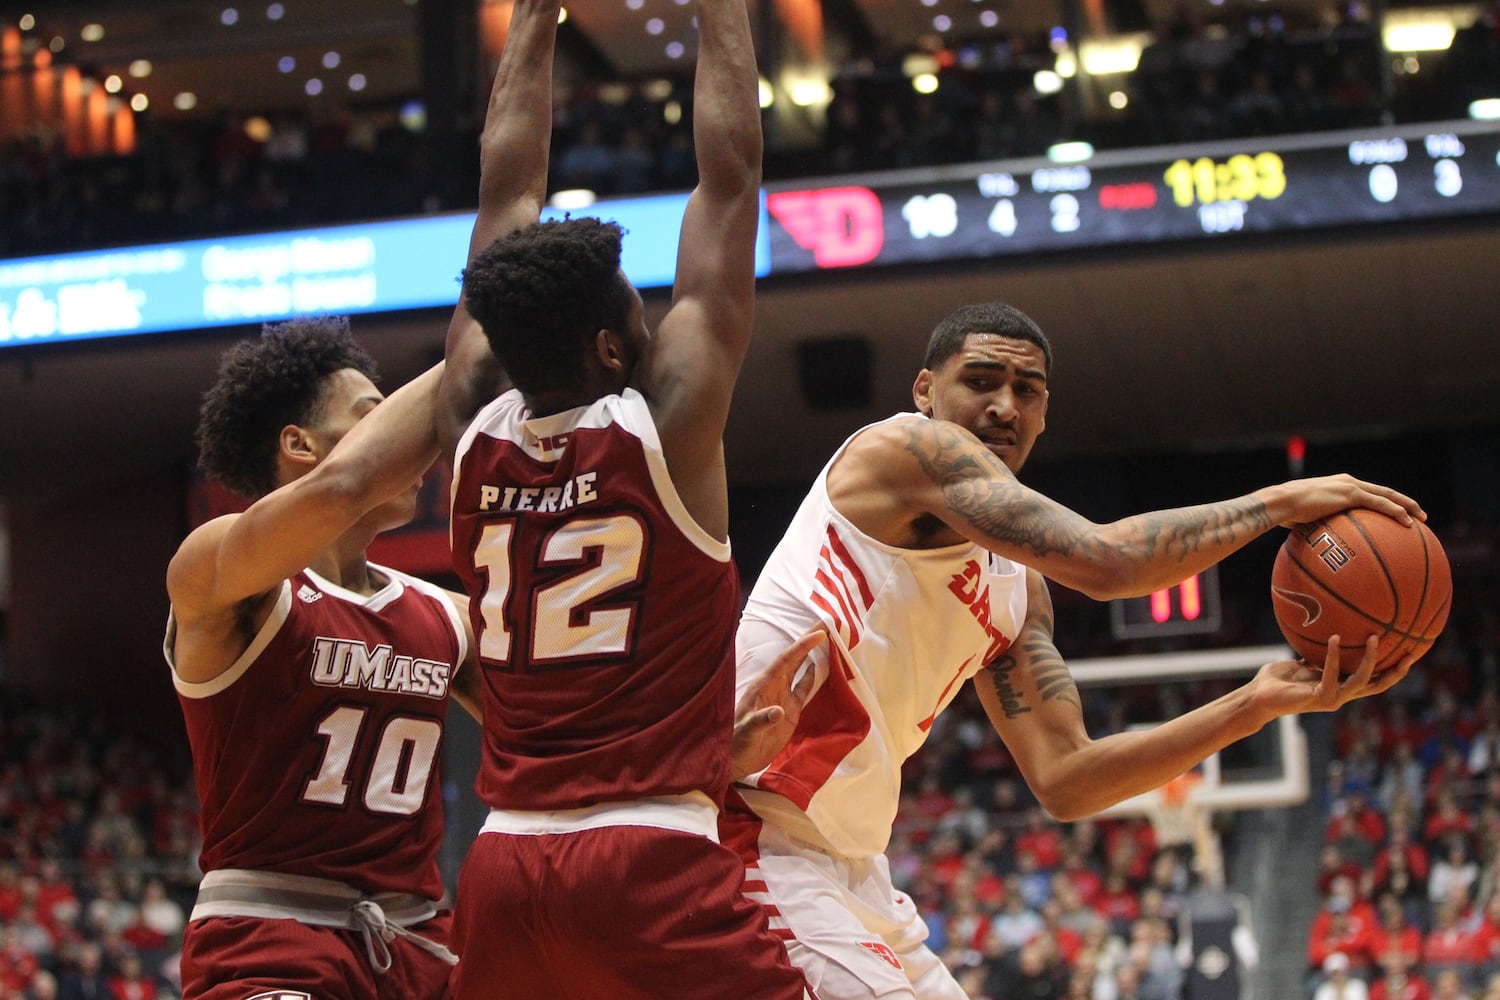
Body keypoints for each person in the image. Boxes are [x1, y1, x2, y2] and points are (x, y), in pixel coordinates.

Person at [728, 300, 1426, 999]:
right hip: (750, 824)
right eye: (981, 380)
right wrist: (1277, 504)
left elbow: (1068, 779)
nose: (1004, 405)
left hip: (851, 865)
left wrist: (1256, 702)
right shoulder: (903, 450)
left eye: (1025, 391)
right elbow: (1109, 562)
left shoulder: (1015, 590)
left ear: (1043, 412)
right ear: (924, 391)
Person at [436, 0, 815, 996]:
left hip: (503, 862)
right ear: (612, 347)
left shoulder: (465, 422)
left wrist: (530, 20)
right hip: (651, 852)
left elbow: (506, 185)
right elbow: (728, 177)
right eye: (637, 311)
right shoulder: (669, 425)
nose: (654, 315)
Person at [163, 315, 478, 1000]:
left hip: (417, 942)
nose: (412, 446)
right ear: (300, 445)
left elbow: (564, 732)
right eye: (376, 416)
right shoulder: (220, 566)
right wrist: (484, 338)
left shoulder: (447, 616)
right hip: (269, 939)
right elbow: (341, 488)